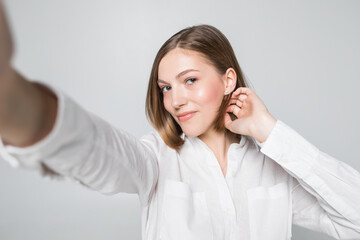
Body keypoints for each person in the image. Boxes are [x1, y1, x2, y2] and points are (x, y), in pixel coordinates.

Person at [0, 2, 359, 240]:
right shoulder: (156, 160)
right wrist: (17, 101)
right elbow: (100, 152)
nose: (174, 100)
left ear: (228, 81)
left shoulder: (274, 172)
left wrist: (270, 131)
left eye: (190, 80)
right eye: (165, 87)